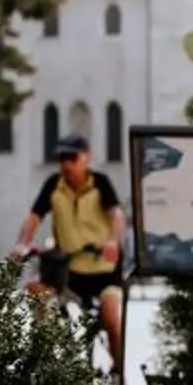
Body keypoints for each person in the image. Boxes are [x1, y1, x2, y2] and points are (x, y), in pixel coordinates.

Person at [12, 137, 127, 359]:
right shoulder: (54, 184)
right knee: (36, 293)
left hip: (104, 271)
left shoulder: (100, 182)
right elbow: (34, 217)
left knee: (111, 316)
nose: (67, 164)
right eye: (62, 158)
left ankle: (118, 372)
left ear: (87, 157)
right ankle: (46, 355)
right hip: (68, 271)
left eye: (72, 157)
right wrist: (22, 244)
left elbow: (117, 214)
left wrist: (113, 241)